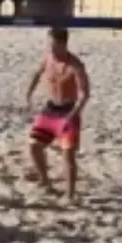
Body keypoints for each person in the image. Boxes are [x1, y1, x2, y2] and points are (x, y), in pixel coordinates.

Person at [25, 27, 90, 202]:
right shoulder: (47, 58)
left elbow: (84, 94)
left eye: (54, 45)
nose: (51, 48)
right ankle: (45, 181)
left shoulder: (75, 65)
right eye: (49, 44)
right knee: (34, 145)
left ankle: (70, 195)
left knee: (67, 154)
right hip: (50, 109)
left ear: (63, 44)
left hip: (69, 111)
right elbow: (36, 74)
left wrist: (73, 114)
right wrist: (28, 94)